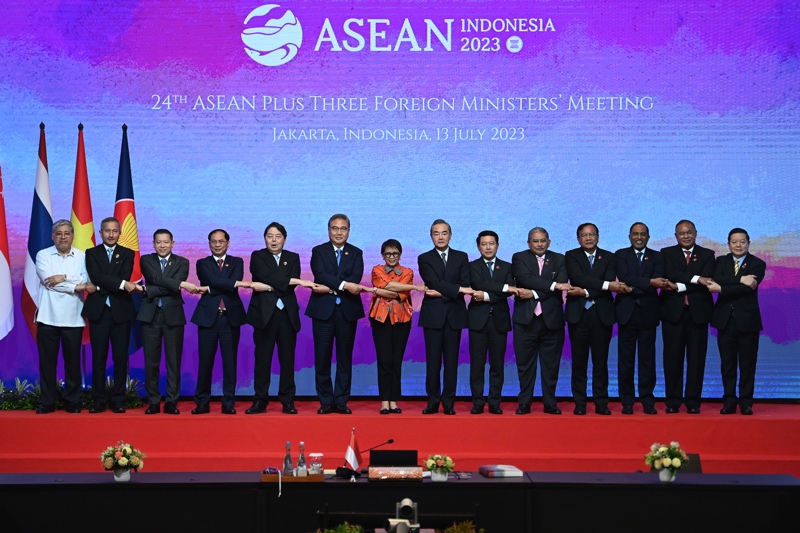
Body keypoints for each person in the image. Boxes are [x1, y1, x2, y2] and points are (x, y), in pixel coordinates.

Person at [246, 222, 317, 415]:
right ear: (265, 238)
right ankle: (260, 401)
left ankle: (288, 401)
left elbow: (286, 283)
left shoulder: (292, 257)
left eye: (278, 236)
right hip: (264, 315)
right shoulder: (257, 256)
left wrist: (272, 284)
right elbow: (262, 275)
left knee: (287, 360)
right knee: (262, 360)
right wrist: (292, 281)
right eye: (270, 236)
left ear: (284, 239)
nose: (274, 240)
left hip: (286, 315)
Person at [565, 223, 630, 416]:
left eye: (592, 234)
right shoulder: (571, 256)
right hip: (578, 315)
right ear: (578, 238)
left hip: (602, 315)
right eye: (584, 235)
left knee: (601, 362)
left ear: (598, 237)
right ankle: (580, 403)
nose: (588, 238)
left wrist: (585, 290)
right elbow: (579, 277)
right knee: (579, 362)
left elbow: (608, 282)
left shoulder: (610, 257)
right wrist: (604, 285)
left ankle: (601, 402)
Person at [305, 214, 367, 415]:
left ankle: (341, 401)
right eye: (335, 228)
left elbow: (355, 279)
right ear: (328, 230)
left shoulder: (356, 253)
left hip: (347, 312)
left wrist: (331, 288)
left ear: (349, 230)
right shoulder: (319, 251)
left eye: (343, 229)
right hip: (323, 311)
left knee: (344, 358)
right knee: (322, 358)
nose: (339, 232)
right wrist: (342, 286)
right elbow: (320, 274)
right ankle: (325, 401)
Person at [34, 220, 96, 414]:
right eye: (59, 234)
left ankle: (72, 401)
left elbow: (88, 281)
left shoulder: (82, 256)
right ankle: (48, 401)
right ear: (53, 236)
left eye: (66, 233)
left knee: (73, 363)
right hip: (47, 317)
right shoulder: (43, 254)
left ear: (73, 235)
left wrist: (62, 277)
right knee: (47, 363)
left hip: (73, 317)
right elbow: (48, 281)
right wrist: (75, 284)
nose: (63, 237)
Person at [511, 227, 573, 415]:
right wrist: (552, 285)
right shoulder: (519, 258)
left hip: (551, 320)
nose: (539, 244)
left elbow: (562, 281)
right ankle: (524, 402)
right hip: (525, 320)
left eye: (543, 240)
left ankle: (550, 402)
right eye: (535, 241)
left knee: (551, 365)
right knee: (525, 365)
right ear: (529, 242)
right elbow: (525, 279)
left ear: (549, 242)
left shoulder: (559, 259)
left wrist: (535, 292)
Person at [82, 216, 139, 413]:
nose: (111, 234)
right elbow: (95, 275)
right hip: (99, 312)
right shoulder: (91, 253)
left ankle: (118, 399)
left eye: (115, 231)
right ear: (100, 233)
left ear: (120, 233)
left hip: (120, 311)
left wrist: (100, 286)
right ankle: (98, 399)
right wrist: (120, 285)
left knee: (120, 357)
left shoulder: (128, 253)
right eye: (107, 231)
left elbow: (123, 275)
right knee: (98, 357)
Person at [190, 229, 250, 415]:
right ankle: (202, 402)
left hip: (230, 318)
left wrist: (209, 288)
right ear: (209, 243)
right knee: (205, 362)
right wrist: (228, 284)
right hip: (209, 318)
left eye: (221, 241)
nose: (217, 245)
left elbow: (233, 281)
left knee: (229, 362)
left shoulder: (237, 261)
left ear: (228, 243)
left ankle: (228, 402)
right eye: (213, 241)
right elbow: (220, 282)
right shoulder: (202, 263)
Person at [138, 229, 197, 415]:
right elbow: (154, 278)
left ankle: (172, 401)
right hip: (150, 315)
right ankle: (153, 401)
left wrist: (148, 290)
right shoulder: (146, 260)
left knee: (173, 362)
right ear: (153, 244)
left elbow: (163, 284)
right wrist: (178, 285)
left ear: (173, 243)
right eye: (158, 242)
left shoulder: (183, 262)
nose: (162, 245)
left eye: (166, 242)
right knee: (151, 362)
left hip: (173, 317)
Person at [707, 228, 766, 415]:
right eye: (734, 242)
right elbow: (717, 279)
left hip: (748, 322)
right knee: (728, 365)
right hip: (725, 321)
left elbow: (748, 288)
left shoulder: (758, 263)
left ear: (748, 243)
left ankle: (746, 402)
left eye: (742, 241)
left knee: (748, 365)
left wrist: (722, 288)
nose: (738, 245)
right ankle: (729, 402)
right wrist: (740, 279)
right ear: (728, 244)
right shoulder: (720, 261)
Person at [418, 219, 473, 415]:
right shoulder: (424, 258)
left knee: (451, 362)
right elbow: (432, 281)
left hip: (455, 316)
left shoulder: (461, 257)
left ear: (450, 235)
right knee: (432, 362)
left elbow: (465, 283)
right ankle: (432, 401)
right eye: (436, 233)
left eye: (444, 233)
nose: (440, 237)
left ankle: (449, 402)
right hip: (433, 316)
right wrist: (455, 290)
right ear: (431, 236)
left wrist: (442, 292)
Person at [659, 219, 715, 414]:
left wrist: (681, 285)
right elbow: (669, 273)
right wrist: (696, 278)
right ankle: (673, 401)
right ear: (676, 236)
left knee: (696, 360)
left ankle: (693, 402)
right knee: (672, 359)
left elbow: (707, 279)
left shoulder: (708, 255)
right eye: (681, 233)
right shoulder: (666, 254)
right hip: (672, 314)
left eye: (689, 232)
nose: (685, 236)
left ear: (695, 233)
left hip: (698, 315)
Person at [614, 222, 668, 415]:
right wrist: (648, 282)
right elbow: (624, 276)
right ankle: (627, 401)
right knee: (625, 361)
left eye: (643, 234)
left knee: (647, 360)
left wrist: (638, 285)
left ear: (648, 236)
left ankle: (647, 400)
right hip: (626, 314)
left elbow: (658, 281)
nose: (639, 237)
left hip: (648, 314)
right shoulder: (621, 254)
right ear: (630, 236)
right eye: (635, 234)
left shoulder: (658, 256)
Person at [368, 239, 426, 414]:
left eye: (395, 254)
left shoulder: (408, 271)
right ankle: (384, 401)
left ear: (400, 255)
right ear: (383, 255)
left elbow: (399, 291)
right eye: (388, 254)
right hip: (380, 318)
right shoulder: (376, 269)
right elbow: (387, 285)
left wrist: (380, 291)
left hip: (402, 319)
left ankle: (394, 400)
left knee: (396, 361)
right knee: (384, 360)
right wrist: (414, 287)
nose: (391, 257)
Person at [467, 230, 517, 415]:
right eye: (484, 244)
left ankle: (495, 401)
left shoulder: (507, 267)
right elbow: (476, 284)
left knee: (497, 364)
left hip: (499, 321)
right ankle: (478, 402)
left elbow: (507, 292)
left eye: (491, 243)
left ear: (497, 245)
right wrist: (503, 288)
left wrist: (487, 295)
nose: (488, 247)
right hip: (477, 321)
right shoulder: (471, 267)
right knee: (477, 364)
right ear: (478, 246)